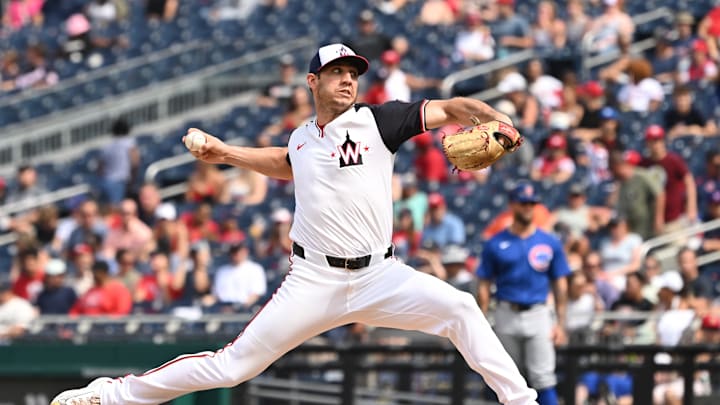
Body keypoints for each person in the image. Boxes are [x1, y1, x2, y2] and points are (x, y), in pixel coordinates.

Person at [51, 43, 537, 405]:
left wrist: (497, 118)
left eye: (352, 73)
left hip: (380, 276)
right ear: (312, 82)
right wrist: (223, 153)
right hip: (314, 279)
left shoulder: (378, 122)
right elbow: (287, 163)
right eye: (336, 73)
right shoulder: (303, 138)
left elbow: (451, 108)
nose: (348, 80)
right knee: (232, 367)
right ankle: (112, 395)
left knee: (461, 307)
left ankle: (521, 401)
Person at [477, 180, 570, 405]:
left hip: (538, 312)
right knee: (503, 379)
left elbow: (560, 284)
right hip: (506, 311)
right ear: (512, 205)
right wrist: (482, 320)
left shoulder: (549, 242)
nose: (528, 207)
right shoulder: (496, 243)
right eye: (523, 203)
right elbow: (484, 282)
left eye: (531, 203)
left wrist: (560, 323)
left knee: (543, 377)